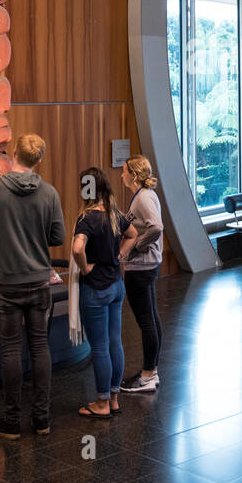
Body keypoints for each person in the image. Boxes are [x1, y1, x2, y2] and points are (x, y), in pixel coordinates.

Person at [0, 133, 65, 439]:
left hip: (7, 282)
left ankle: (12, 421)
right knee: (40, 347)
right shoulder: (50, 193)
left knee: (10, 349)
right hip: (39, 281)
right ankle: (42, 419)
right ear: (39, 159)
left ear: (14, 154)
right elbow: (58, 237)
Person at [72, 167, 137, 418]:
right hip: (116, 286)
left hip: (96, 289)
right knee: (115, 342)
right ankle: (114, 399)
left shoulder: (86, 218)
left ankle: (101, 403)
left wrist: (85, 268)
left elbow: (78, 248)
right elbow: (132, 234)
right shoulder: (113, 214)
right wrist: (120, 255)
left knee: (98, 347)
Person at [119, 156, 164, 395]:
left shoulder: (144, 197)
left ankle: (147, 375)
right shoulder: (144, 195)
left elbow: (156, 227)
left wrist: (136, 246)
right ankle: (151, 371)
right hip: (147, 265)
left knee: (146, 321)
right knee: (152, 319)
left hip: (141, 267)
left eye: (124, 171)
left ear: (134, 175)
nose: (121, 175)